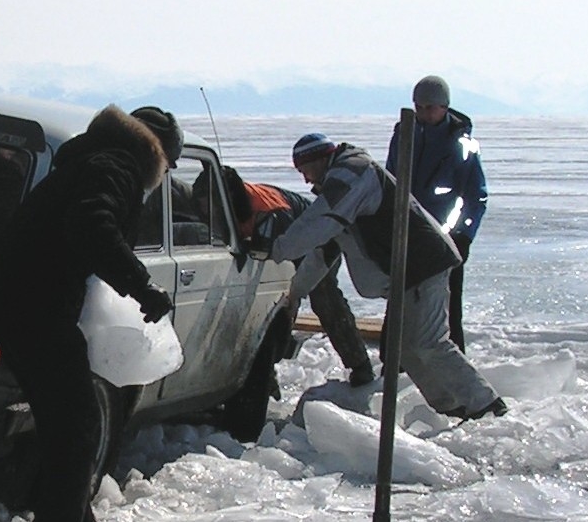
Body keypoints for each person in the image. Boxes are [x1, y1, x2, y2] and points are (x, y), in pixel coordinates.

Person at [0, 105, 182, 522]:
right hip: (29, 304)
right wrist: (141, 284)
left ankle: (74, 520)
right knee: (75, 421)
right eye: (169, 164)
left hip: (19, 298)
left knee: (66, 418)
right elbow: (92, 226)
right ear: (159, 153)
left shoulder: (97, 160)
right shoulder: (116, 168)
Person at [262, 132, 505, 421]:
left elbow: (320, 223)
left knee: (429, 343)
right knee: (408, 346)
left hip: (422, 265)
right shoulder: (343, 190)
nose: (305, 180)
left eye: (305, 170)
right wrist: (295, 292)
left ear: (319, 159)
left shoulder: (352, 176)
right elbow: (321, 253)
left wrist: (275, 249)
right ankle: (451, 405)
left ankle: (486, 405)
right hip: (407, 274)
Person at [197, 165, 375, 386]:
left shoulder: (270, 214)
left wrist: (292, 299)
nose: (207, 211)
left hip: (316, 240)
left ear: (228, 197)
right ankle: (262, 375)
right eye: (204, 205)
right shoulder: (213, 208)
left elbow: (292, 259)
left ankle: (359, 365)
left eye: (210, 204)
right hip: (271, 239)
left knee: (323, 298)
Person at [386, 75, 487, 352]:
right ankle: (390, 367)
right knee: (399, 302)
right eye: (419, 107)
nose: (423, 113)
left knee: (448, 307)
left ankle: (456, 369)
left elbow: (475, 196)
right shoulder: (404, 134)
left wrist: (463, 235)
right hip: (407, 234)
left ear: (444, 107)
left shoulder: (461, 144)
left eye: (430, 108)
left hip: (445, 237)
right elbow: (391, 180)